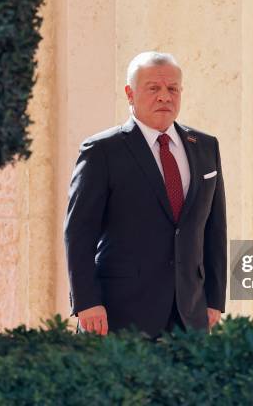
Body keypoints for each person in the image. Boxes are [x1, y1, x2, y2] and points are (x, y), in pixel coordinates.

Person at [64, 51, 226, 338]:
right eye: (154, 88)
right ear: (130, 93)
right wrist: (87, 302)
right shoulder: (102, 150)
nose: (165, 96)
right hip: (118, 312)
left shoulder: (205, 146)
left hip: (190, 314)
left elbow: (215, 229)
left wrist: (214, 300)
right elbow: (79, 232)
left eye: (172, 89)